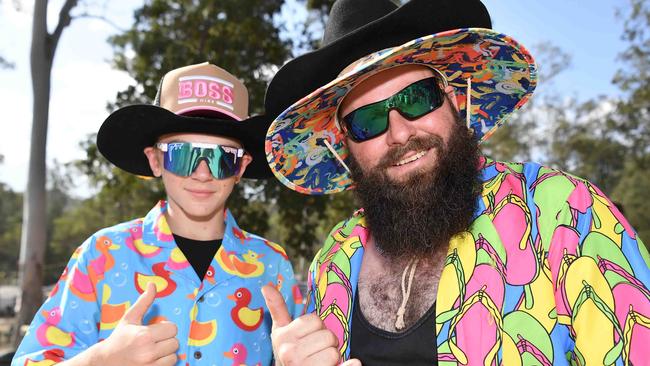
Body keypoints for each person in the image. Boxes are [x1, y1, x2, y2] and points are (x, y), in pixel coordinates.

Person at [260, 0, 650, 365]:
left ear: (454, 99)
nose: (399, 132)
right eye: (368, 121)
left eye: (416, 98)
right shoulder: (333, 259)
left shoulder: (563, 211)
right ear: (345, 147)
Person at [12, 62, 303, 366]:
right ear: (155, 161)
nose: (202, 174)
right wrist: (101, 361)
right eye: (182, 154)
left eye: (222, 158)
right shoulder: (101, 255)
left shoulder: (272, 265)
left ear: (241, 168)